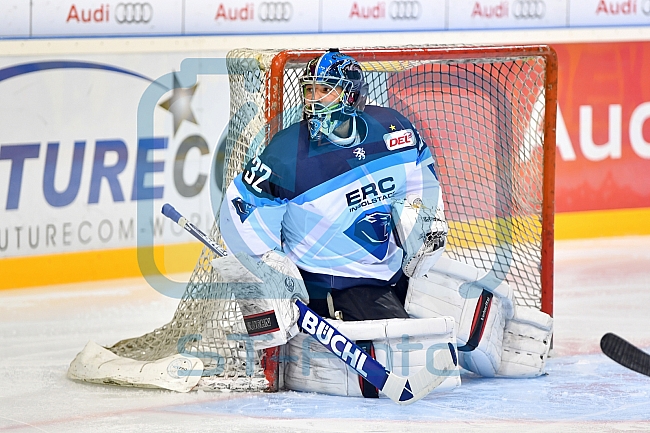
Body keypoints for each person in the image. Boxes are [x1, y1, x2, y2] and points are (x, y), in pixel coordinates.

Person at [219, 49, 447, 323]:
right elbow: (240, 210)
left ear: (352, 96)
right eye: (310, 91)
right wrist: (268, 271)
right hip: (332, 286)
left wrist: (424, 217)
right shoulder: (287, 152)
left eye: (325, 90)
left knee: (463, 328)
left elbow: (420, 170)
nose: (314, 101)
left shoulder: (392, 128)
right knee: (407, 353)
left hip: (393, 271)